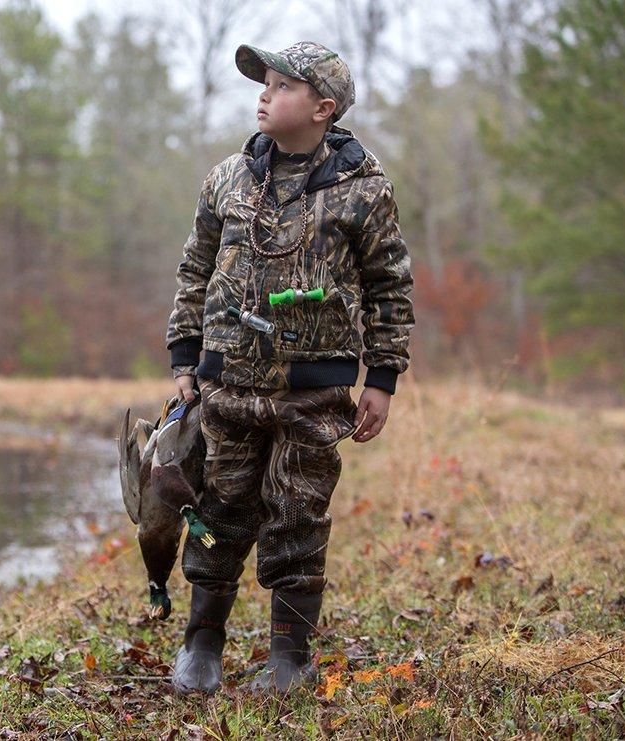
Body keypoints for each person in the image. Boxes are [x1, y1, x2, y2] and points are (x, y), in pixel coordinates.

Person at [164, 40, 415, 696]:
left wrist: (382, 379)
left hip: (315, 390)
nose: (264, 94)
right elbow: (195, 269)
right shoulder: (228, 178)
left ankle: (289, 658)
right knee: (218, 511)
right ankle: (202, 642)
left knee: (298, 513)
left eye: (281, 85)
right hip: (227, 384)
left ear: (322, 108)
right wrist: (185, 357)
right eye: (263, 84)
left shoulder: (363, 188)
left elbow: (390, 285)